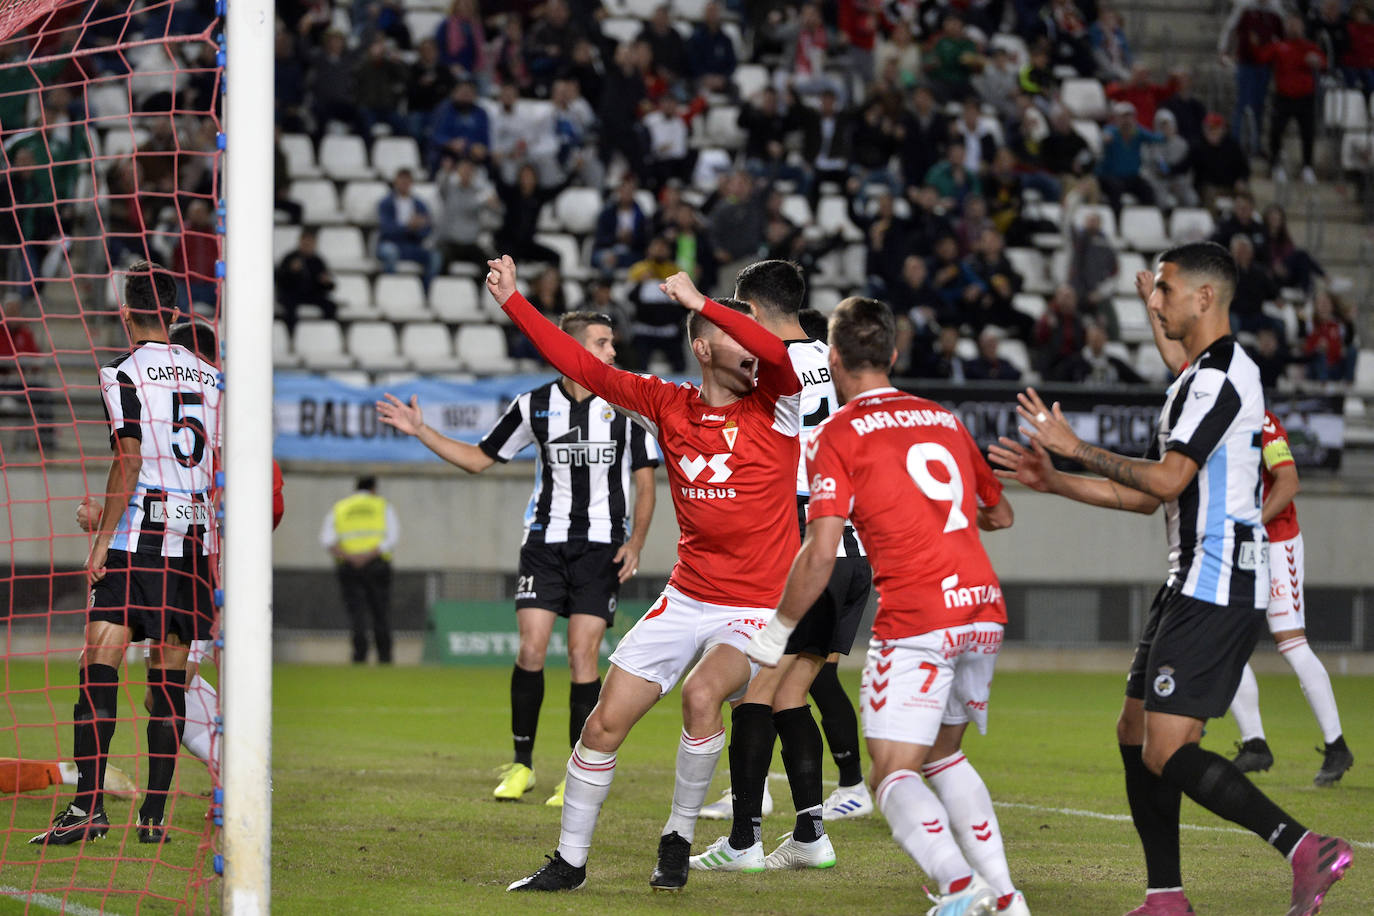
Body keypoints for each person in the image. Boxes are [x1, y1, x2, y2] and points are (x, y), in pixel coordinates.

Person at [989, 242, 1352, 916]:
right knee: (1135, 731)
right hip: (1191, 578)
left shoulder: (1218, 379)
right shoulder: (1196, 380)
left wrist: (1078, 449)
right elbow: (1152, 498)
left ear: (1204, 297)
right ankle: (1165, 898)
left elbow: (1165, 478)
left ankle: (1306, 849)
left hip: (1217, 583)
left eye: (1163, 290)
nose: (1153, 302)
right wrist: (1058, 479)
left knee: (1165, 748)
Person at [488, 256, 803, 894]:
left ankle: (678, 836)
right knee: (601, 724)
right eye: (735, 340)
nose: (753, 351)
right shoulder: (666, 405)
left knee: (701, 695)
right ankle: (570, 862)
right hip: (687, 596)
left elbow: (783, 357)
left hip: (756, 607)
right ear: (703, 349)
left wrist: (706, 301)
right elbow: (584, 367)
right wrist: (515, 303)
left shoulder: (778, 404)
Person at [746, 296, 1027, 916]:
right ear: (895, 355)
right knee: (943, 756)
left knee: (893, 773)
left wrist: (778, 628)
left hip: (921, 614)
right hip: (982, 607)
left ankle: (958, 887)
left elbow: (820, 553)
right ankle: (1007, 898)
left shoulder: (839, 434)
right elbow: (1000, 514)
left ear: (834, 356)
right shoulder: (942, 417)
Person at [376, 313, 659, 807]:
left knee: (581, 655)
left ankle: (578, 771)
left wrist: (635, 542)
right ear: (571, 348)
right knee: (530, 650)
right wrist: (422, 431)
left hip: (600, 548)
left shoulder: (624, 406)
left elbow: (645, 481)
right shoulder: (534, 406)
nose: (612, 352)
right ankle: (522, 765)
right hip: (544, 544)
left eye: (612, 342)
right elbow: (479, 459)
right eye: (602, 342)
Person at [688, 262, 874, 873]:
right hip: (852, 548)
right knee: (794, 694)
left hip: (803, 548)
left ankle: (743, 841)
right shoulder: (831, 357)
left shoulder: (772, 365)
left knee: (752, 696)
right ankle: (811, 835)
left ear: (751, 308)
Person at [32, 261, 221, 846]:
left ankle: (88, 809)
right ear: (172, 311)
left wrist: (100, 539)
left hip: (140, 535)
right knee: (167, 682)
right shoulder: (214, 378)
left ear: (125, 312)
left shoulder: (122, 371)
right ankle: (154, 818)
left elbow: (130, 458)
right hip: (194, 545)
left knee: (99, 662)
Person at [1228, 410, 1355, 784]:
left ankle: (1337, 746)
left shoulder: (1262, 422)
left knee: (1292, 643)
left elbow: (1289, 482)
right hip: (1242, 547)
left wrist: (1253, 525)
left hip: (1277, 542)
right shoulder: (1215, 416)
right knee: (1224, 640)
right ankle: (1254, 743)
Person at [320, 476, 399, 665]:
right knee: (380, 611)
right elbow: (392, 537)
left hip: (349, 566)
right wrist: (367, 556)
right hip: (376, 565)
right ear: (374, 488)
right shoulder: (382, 505)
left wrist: (351, 557)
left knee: (356, 612)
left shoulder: (340, 507)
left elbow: (326, 539)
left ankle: (359, 656)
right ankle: (385, 657)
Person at [377, 169, 442, 290]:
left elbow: (427, 229)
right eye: (401, 181)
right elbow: (386, 229)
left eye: (407, 182)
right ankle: (390, 289)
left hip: (412, 246)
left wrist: (418, 228)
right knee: (390, 253)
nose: (404, 185)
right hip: (391, 243)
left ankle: (426, 292)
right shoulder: (386, 203)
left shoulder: (419, 204)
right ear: (396, 183)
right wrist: (408, 227)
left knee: (435, 257)